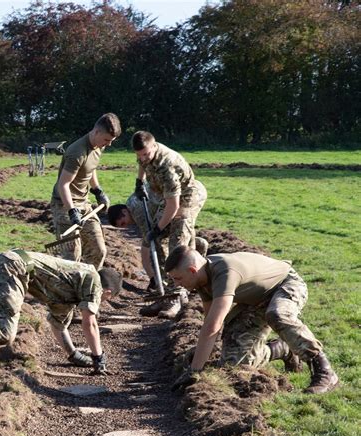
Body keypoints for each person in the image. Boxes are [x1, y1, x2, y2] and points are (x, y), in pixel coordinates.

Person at [165, 246, 339, 395]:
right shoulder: (201, 280)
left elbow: (213, 325)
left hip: (286, 284)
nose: (176, 284)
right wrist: (202, 358)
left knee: (278, 314)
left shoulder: (224, 272)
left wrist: (195, 371)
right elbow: (212, 323)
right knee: (235, 364)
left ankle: (324, 370)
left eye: (177, 278)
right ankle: (282, 349)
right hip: (256, 300)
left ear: (192, 270)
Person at [130, 130, 208, 318]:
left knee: (177, 244)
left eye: (146, 154)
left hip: (188, 196)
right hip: (168, 197)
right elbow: (142, 164)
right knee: (155, 240)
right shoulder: (144, 155)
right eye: (139, 155)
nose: (143, 158)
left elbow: (174, 206)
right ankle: (164, 293)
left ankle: (177, 296)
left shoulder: (167, 165)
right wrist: (139, 182)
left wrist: (157, 229)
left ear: (154, 146)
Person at [50, 113, 121, 270]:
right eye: (107, 140)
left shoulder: (98, 146)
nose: (108, 145)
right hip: (64, 204)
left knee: (99, 251)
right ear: (96, 132)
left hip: (84, 202)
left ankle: (86, 288)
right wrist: (72, 212)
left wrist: (98, 191)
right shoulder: (77, 152)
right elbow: (63, 184)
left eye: (111, 141)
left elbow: (90, 169)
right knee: (71, 257)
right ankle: (69, 291)